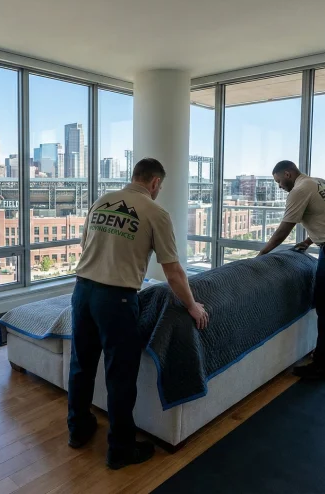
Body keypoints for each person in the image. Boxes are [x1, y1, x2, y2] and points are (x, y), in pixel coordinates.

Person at [67, 157, 209, 469]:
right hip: (116, 300)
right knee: (120, 375)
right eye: (160, 186)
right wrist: (191, 305)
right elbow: (173, 271)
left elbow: (85, 246)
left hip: (82, 292)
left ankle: (77, 429)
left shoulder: (102, 201)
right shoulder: (156, 213)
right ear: (155, 183)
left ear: (134, 175)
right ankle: (120, 450)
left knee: (81, 364)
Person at [258, 160, 325, 381]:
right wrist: (308, 241)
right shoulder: (319, 183)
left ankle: (324, 366)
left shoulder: (299, 190)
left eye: (279, 181)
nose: (279, 186)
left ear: (288, 174)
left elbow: (283, 229)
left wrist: (262, 254)